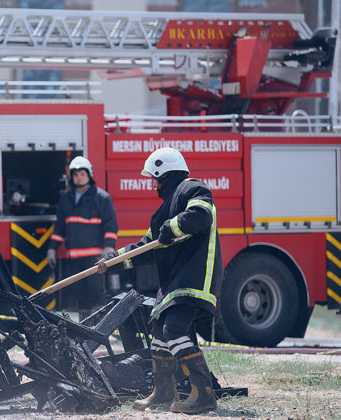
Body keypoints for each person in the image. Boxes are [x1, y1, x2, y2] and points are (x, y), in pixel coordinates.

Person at [96, 147, 222, 414]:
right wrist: (114, 260)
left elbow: (201, 216)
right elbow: (147, 247)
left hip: (195, 277)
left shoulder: (192, 189)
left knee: (174, 330)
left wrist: (172, 227)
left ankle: (204, 395)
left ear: (163, 173)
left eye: (153, 178)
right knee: (159, 337)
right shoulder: (162, 212)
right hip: (176, 282)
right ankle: (164, 393)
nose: (152, 184)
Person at [47, 156, 118, 314]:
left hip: (95, 258)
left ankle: (99, 331)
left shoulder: (102, 198)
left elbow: (111, 225)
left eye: (82, 174)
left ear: (89, 175)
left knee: (95, 295)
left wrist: (108, 248)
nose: (79, 178)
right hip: (73, 258)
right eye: (76, 174)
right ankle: (84, 332)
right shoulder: (66, 199)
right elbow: (60, 227)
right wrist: (52, 248)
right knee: (79, 296)